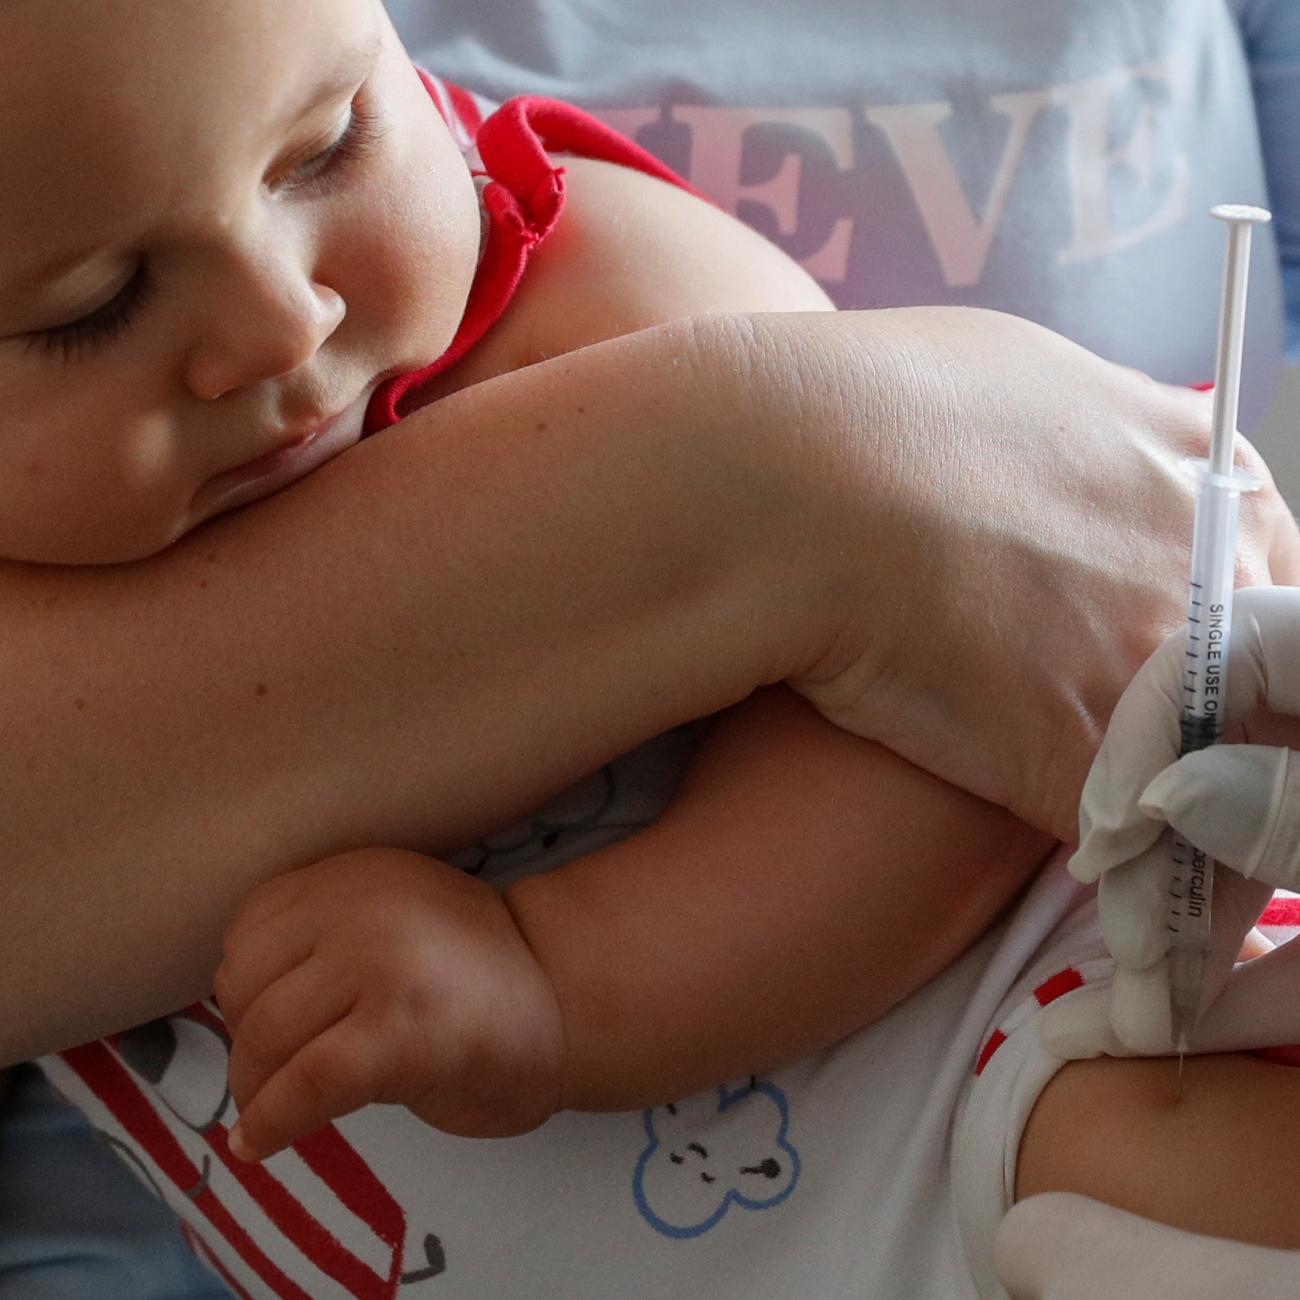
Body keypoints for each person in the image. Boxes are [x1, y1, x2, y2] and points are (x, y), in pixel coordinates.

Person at [2, 3, 1299, 1300]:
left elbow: (940, 733)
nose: (287, 322)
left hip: (1026, 1046)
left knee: (1150, 1162)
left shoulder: (590, 297)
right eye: (87, 307)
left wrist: (562, 976)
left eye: (332, 144)